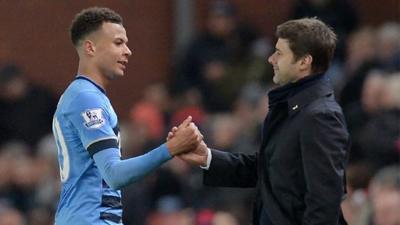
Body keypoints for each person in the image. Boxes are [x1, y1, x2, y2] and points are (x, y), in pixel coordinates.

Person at [172, 18, 350, 225]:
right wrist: (207, 158)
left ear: (304, 62)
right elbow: (268, 170)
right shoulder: (291, 108)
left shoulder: (320, 116)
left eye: (280, 53)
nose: (271, 59)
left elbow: (325, 200)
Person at [52, 7, 202, 225]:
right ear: (90, 48)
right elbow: (114, 174)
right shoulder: (86, 98)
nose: (128, 51)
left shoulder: (87, 96)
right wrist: (170, 149)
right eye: (118, 43)